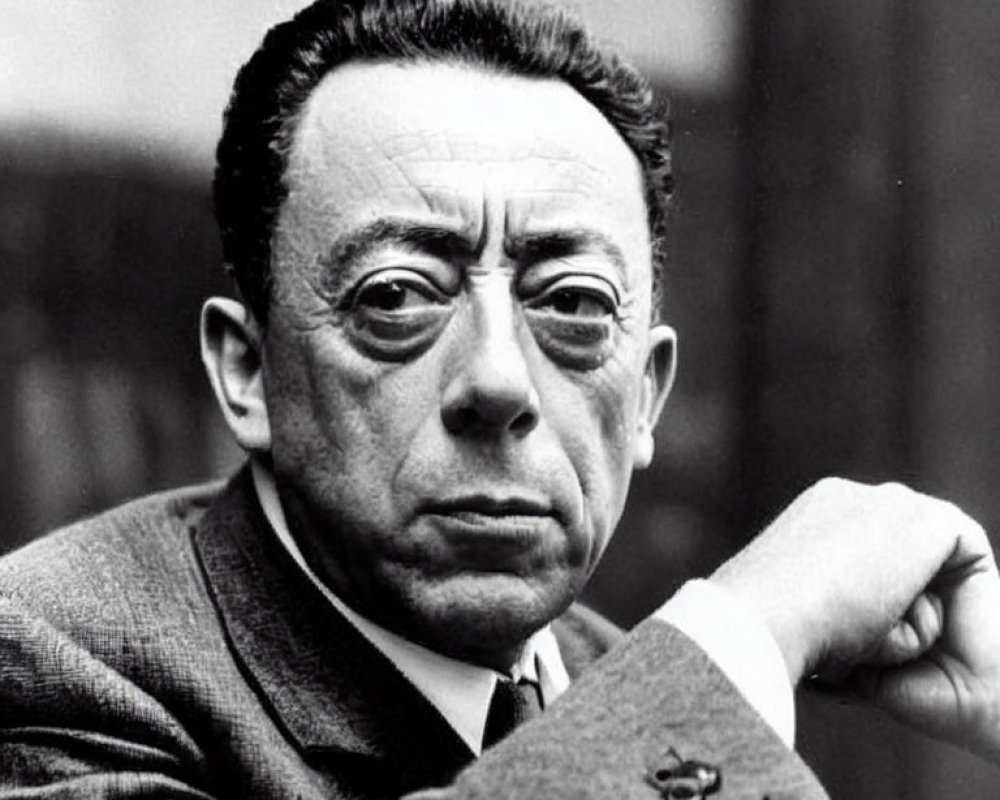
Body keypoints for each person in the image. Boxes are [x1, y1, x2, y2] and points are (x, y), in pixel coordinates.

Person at [2, 1, 1000, 798]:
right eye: (396, 296)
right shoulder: (56, 661)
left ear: (646, 394)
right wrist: (751, 629)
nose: (496, 380)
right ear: (246, 370)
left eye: (571, 303)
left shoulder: (627, 685)